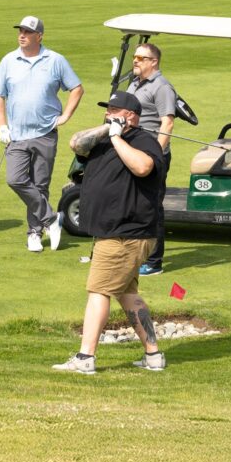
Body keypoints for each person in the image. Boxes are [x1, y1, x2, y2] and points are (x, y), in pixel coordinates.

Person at [52, 91, 166, 375]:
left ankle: (85, 357)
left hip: (126, 233)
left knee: (98, 291)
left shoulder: (144, 141)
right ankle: (154, 356)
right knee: (128, 295)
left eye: (114, 109)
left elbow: (143, 167)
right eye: (107, 109)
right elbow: (75, 143)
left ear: (130, 115)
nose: (107, 113)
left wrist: (117, 137)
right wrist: (108, 130)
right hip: (114, 232)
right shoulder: (103, 138)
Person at [0, 16, 83, 253]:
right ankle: (52, 219)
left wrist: (66, 116)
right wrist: (2, 125)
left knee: (40, 184)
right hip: (17, 134)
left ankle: (34, 232)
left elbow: (76, 88)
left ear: (39, 36)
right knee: (15, 179)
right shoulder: (8, 61)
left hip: (45, 132)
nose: (22, 35)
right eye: (20, 31)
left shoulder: (55, 60)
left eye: (28, 32)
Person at [126, 41, 177, 276]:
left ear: (153, 62)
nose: (135, 60)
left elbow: (167, 123)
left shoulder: (162, 87)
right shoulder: (135, 83)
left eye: (140, 58)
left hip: (152, 155)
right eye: (134, 57)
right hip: (133, 153)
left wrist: (156, 155)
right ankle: (132, 254)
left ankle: (154, 262)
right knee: (133, 204)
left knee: (152, 207)